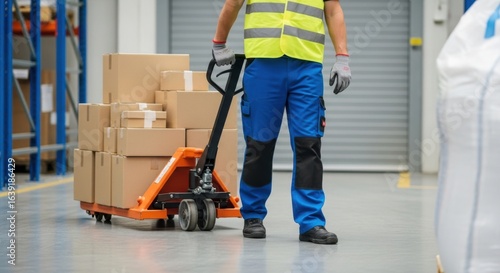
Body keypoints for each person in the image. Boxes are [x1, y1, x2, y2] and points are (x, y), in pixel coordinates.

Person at [212, 0, 351, 244]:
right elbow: (232, 4)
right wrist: (219, 42)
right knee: (259, 143)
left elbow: (333, 10)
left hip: (306, 68)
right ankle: (253, 215)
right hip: (264, 65)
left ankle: (311, 221)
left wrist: (342, 56)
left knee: (309, 144)